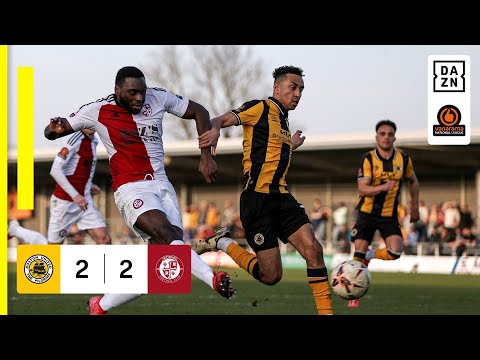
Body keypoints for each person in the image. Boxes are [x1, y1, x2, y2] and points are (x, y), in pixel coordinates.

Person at [44, 66, 235, 315]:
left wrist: (206, 156)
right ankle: (213, 280)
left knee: (161, 267)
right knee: (168, 235)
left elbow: (200, 111)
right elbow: (56, 130)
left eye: (142, 92)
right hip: (131, 188)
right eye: (133, 93)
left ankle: (99, 306)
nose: (139, 98)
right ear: (117, 90)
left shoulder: (157, 97)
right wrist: (53, 129)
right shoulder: (97, 110)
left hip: (162, 186)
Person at [196, 65, 333, 315]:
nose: (298, 94)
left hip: (282, 198)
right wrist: (215, 129)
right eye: (293, 88)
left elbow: (272, 153)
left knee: (314, 250)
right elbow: (221, 119)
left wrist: (291, 145)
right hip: (257, 201)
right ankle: (224, 242)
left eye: (301, 89)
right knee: (271, 276)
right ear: (277, 88)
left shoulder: (283, 120)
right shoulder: (259, 108)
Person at [348, 119, 419, 307]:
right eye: (382, 134)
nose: (386, 137)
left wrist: (415, 207)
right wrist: (383, 187)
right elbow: (362, 189)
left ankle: (370, 256)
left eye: (389, 134)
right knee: (358, 252)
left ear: (394, 137)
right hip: (366, 213)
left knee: (396, 251)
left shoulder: (402, 159)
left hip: (389, 214)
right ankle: (354, 295)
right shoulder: (369, 159)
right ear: (376, 137)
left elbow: (414, 181)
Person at [8, 129, 111, 246]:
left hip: (84, 201)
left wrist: (89, 184)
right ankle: (15, 230)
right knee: (53, 249)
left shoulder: (94, 140)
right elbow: (55, 170)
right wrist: (75, 195)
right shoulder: (73, 140)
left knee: (104, 240)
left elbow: (77, 168)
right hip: (64, 202)